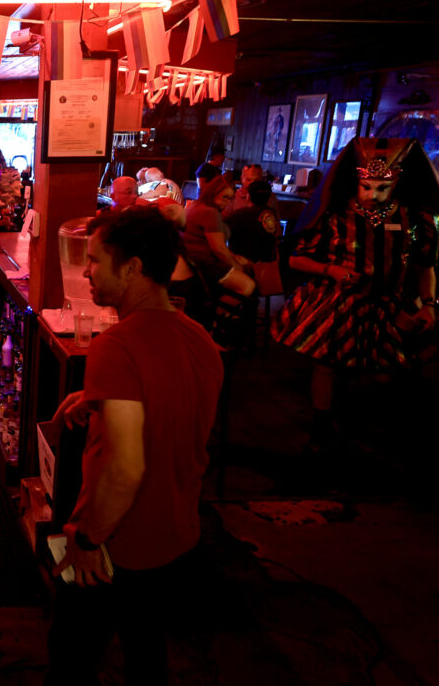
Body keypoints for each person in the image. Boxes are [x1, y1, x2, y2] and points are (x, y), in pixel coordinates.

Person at [46, 207, 223, 686]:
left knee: (70, 658)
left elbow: (125, 469)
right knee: (146, 649)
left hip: (118, 542)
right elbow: (169, 408)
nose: (87, 270)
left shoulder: (117, 346)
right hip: (176, 533)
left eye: (97, 261)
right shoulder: (198, 337)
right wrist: (97, 398)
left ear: (134, 268)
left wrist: (86, 539)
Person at [271, 137, 439, 437]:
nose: (373, 195)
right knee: (327, 366)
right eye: (367, 187)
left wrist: (429, 304)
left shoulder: (417, 219)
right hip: (339, 304)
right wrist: (331, 269)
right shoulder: (334, 215)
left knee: (379, 374)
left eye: (382, 188)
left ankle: (358, 427)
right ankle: (321, 428)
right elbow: (296, 259)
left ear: (397, 183)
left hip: (389, 304)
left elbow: (424, 266)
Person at [182, 177, 252, 291]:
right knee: (248, 285)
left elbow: (214, 245)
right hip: (203, 265)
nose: (227, 202)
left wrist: (234, 257)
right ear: (213, 192)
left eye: (230, 198)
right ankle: (219, 309)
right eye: (225, 197)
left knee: (246, 264)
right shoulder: (210, 212)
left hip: (191, 262)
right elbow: (219, 249)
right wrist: (237, 267)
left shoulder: (194, 205)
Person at [226, 180, 280, 264]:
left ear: (248, 196)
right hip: (267, 267)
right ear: (269, 197)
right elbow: (277, 237)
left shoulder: (238, 215)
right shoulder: (272, 215)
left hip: (243, 265)